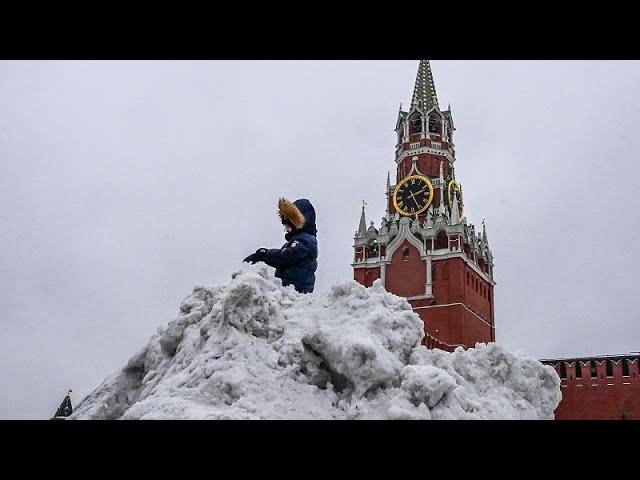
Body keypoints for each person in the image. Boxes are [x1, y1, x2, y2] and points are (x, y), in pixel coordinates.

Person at [243, 198, 317, 293]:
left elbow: (285, 257)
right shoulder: (298, 240)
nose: (286, 230)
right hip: (291, 290)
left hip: (297, 291)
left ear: (296, 222)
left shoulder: (306, 240)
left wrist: (264, 254)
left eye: (288, 226)